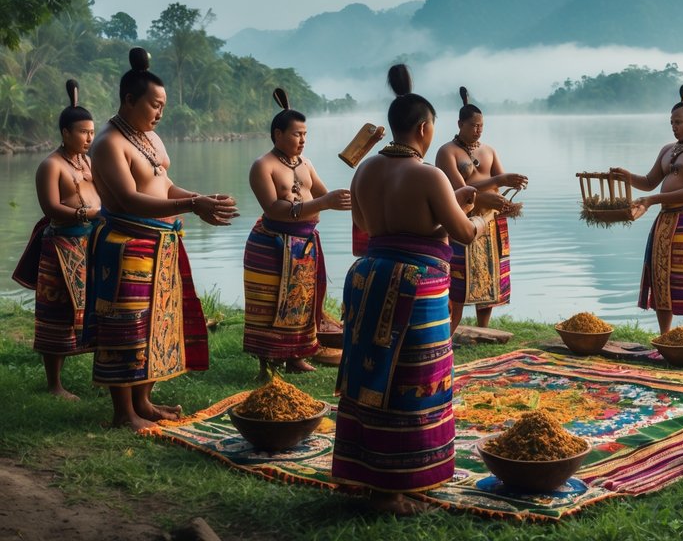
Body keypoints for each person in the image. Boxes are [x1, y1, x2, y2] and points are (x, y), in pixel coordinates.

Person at [333, 65, 490, 515]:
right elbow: (462, 234)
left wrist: (443, 211)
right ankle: (392, 491)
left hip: (368, 277)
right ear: (424, 128)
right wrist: (482, 215)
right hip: (415, 286)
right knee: (411, 381)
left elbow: (366, 224)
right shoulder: (430, 176)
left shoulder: (364, 171)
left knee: (371, 375)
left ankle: (366, 473)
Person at [84, 48, 239, 431]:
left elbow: (164, 185)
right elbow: (128, 199)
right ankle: (124, 413)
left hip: (161, 243)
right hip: (126, 244)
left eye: (163, 106)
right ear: (129, 100)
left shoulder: (149, 138)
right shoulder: (108, 143)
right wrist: (193, 204)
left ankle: (143, 402)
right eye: (154, 105)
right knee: (127, 327)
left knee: (157, 324)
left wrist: (200, 199)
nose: (160, 113)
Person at [242, 88, 352, 376]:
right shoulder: (262, 166)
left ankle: (296, 356)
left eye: (305, 134)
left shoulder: (307, 164)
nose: (302, 140)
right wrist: (323, 203)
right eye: (296, 134)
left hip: (304, 243)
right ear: (278, 134)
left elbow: (325, 196)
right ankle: (267, 363)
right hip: (272, 242)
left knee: (303, 301)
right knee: (269, 303)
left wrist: (351, 197)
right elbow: (274, 208)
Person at [11, 80, 101, 399]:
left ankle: (103, 374)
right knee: (56, 313)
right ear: (65, 132)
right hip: (61, 246)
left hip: (91, 244)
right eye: (83, 132)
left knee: (98, 307)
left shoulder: (88, 162)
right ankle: (55, 385)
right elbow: (51, 208)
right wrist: (88, 213)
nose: (89, 138)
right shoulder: (50, 165)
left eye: (92, 132)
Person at [610, 84, 683, 335]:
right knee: (662, 278)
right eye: (671, 123)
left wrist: (653, 200)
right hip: (666, 221)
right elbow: (649, 182)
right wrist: (627, 177)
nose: (674, 127)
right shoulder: (667, 150)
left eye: (679, 122)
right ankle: (665, 337)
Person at [433, 87, 525, 333]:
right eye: (474, 126)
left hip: (492, 219)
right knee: (459, 280)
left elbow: (500, 183)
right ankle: (450, 329)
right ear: (460, 124)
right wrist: (499, 182)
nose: (478, 130)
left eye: (481, 126)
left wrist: (508, 190)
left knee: (490, 276)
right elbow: (459, 190)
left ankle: (483, 329)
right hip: (464, 218)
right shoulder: (447, 152)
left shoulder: (489, 150)